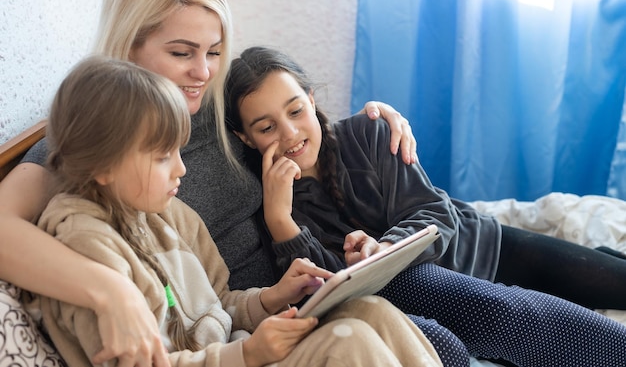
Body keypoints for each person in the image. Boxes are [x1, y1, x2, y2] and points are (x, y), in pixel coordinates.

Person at [0, 0, 418, 367]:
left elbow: (293, 123)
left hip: (276, 300)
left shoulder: (213, 107)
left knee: (384, 317)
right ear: (128, 45)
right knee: (388, 335)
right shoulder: (92, 140)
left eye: (214, 52)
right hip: (235, 342)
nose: (203, 72)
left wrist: (373, 124)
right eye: (182, 53)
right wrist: (111, 290)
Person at [223, 45, 626, 367]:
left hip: (482, 248)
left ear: (311, 99)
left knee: (610, 280)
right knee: (535, 322)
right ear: (245, 138)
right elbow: (323, 293)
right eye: (266, 127)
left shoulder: (369, 132)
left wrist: (386, 248)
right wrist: (281, 221)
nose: (290, 132)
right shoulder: (269, 205)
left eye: (295, 110)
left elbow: (434, 211)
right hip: (434, 291)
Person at [34, 55, 442, 367]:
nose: (182, 168)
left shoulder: (172, 214)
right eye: (162, 157)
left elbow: (221, 301)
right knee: (347, 339)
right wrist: (246, 353)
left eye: (179, 150)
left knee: (366, 308)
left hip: (236, 353)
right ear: (102, 165)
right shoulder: (83, 246)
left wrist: (270, 299)